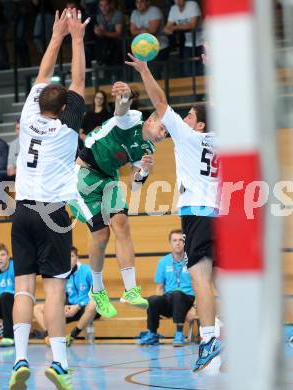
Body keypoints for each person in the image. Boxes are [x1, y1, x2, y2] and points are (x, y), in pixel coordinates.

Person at [9, 8, 88, 390]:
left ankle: (19, 359)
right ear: (64, 108)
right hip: (53, 213)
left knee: (23, 288)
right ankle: (58, 363)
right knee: (54, 289)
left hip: (21, 211)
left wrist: (56, 36)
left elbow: (45, 76)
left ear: (40, 102)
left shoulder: (27, 113)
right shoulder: (67, 127)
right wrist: (78, 36)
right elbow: (79, 79)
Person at [126, 54, 220, 371]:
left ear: (200, 124)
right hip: (222, 215)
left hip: (197, 215)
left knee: (201, 279)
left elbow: (160, 101)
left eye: (190, 115)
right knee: (223, 283)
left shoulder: (189, 137)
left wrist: (145, 70)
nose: (186, 118)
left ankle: (209, 340)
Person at [69, 80, 168, 319]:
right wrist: (124, 99)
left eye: (167, 134)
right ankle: (98, 290)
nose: (164, 136)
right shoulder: (133, 118)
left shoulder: (148, 150)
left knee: (122, 223)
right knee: (101, 235)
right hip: (82, 176)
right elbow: (120, 112)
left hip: (108, 178)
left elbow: (135, 185)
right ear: (151, 120)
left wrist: (144, 172)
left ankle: (130, 290)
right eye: (163, 130)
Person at [138, 229, 196, 346]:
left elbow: (199, 286)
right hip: (170, 300)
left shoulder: (192, 260)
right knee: (152, 299)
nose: (178, 243)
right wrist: (157, 306)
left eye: (181, 240)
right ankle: (153, 333)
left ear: (185, 243)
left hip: (188, 300)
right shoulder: (163, 261)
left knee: (177, 294)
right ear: (170, 243)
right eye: (174, 240)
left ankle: (179, 334)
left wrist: (194, 308)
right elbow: (159, 288)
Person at [33, 247, 100, 346]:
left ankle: (72, 336)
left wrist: (78, 306)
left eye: (72, 256)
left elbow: (97, 294)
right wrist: (63, 306)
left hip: (86, 308)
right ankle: (51, 336)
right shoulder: (61, 274)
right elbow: (60, 295)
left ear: (77, 257)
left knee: (93, 304)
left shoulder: (87, 271)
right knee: (37, 308)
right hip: (69, 308)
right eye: (66, 257)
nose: (69, 259)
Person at [163, 0, 204, 76]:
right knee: (187, 72)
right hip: (188, 43)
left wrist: (174, 28)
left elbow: (192, 25)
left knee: (202, 71)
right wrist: (170, 29)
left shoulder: (192, 4)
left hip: (202, 42)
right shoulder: (173, 9)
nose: (178, 1)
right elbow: (167, 28)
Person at [94, 0, 124, 66]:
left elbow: (118, 34)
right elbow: (102, 31)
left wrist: (103, 33)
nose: (103, 8)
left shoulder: (117, 14)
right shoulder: (99, 16)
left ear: (111, 5)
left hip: (119, 41)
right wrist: (98, 31)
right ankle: (100, 64)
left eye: (106, 5)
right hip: (107, 41)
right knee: (99, 41)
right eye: (101, 5)